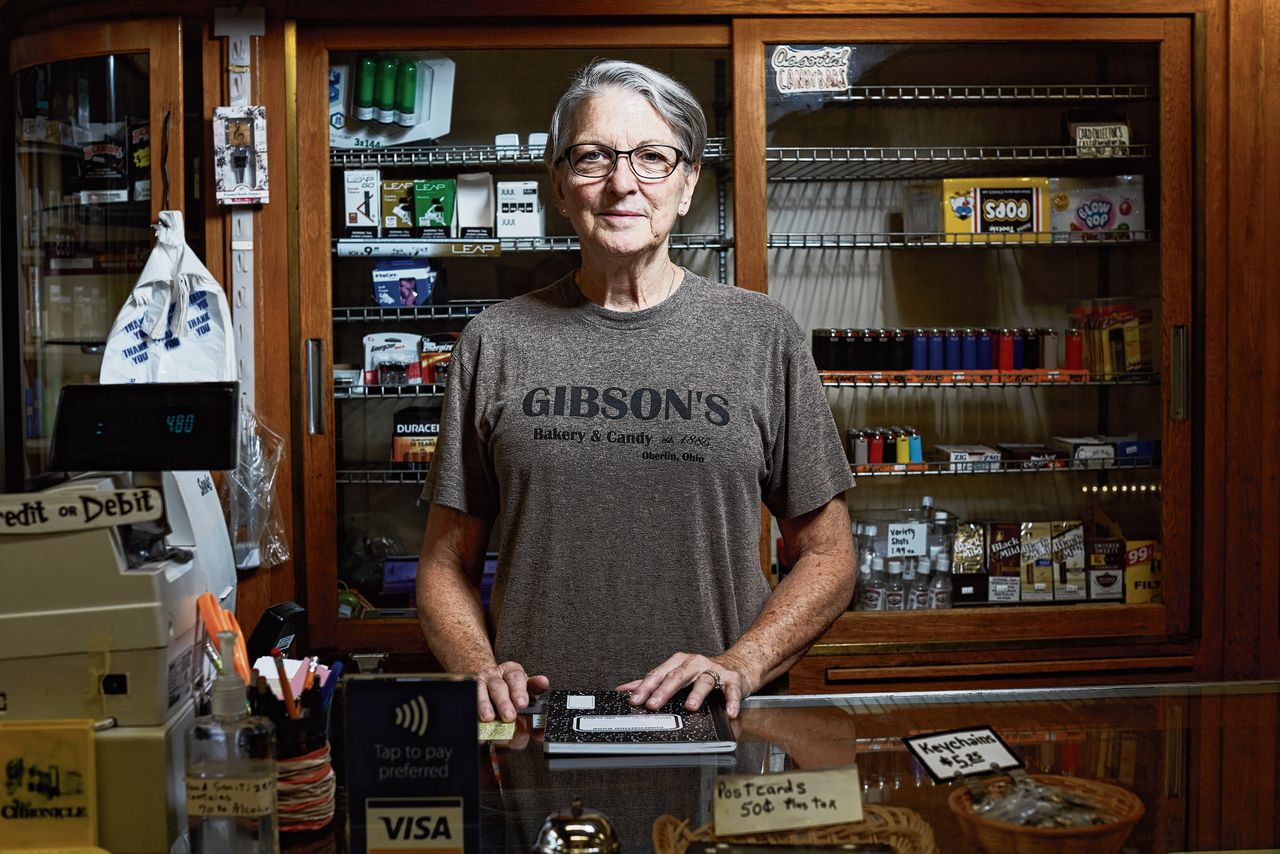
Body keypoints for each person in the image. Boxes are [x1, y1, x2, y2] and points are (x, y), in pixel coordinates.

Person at [416, 59, 855, 723]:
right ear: (560, 187)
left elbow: (829, 554)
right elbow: (445, 565)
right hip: (540, 728)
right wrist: (477, 667)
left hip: (716, 729)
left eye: (652, 157)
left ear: (686, 186)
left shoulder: (762, 335)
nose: (623, 183)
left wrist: (744, 661)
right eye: (592, 158)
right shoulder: (495, 342)